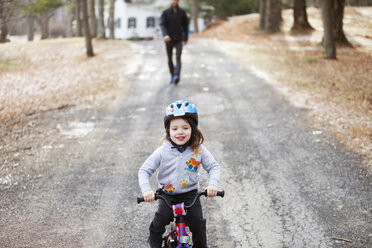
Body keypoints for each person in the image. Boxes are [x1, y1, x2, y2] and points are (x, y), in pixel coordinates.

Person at [138, 100, 220, 248]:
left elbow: (213, 166)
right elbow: (144, 170)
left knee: (198, 225)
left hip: (190, 194)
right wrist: (147, 190)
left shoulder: (198, 150)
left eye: (185, 127)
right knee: (162, 218)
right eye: (174, 128)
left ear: (193, 129)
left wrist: (212, 185)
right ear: (168, 131)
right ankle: (154, 236)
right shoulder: (163, 151)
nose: (180, 132)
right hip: (167, 195)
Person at [160, 0, 189, 84]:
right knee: (170, 58)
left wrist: (186, 38)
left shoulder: (182, 12)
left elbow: (185, 26)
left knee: (178, 57)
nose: (174, 1)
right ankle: (172, 75)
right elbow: (162, 24)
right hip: (169, 39)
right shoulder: (165, 12)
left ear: (178, 1)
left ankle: (177, 75)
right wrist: (165, 35)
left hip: (179, 39)